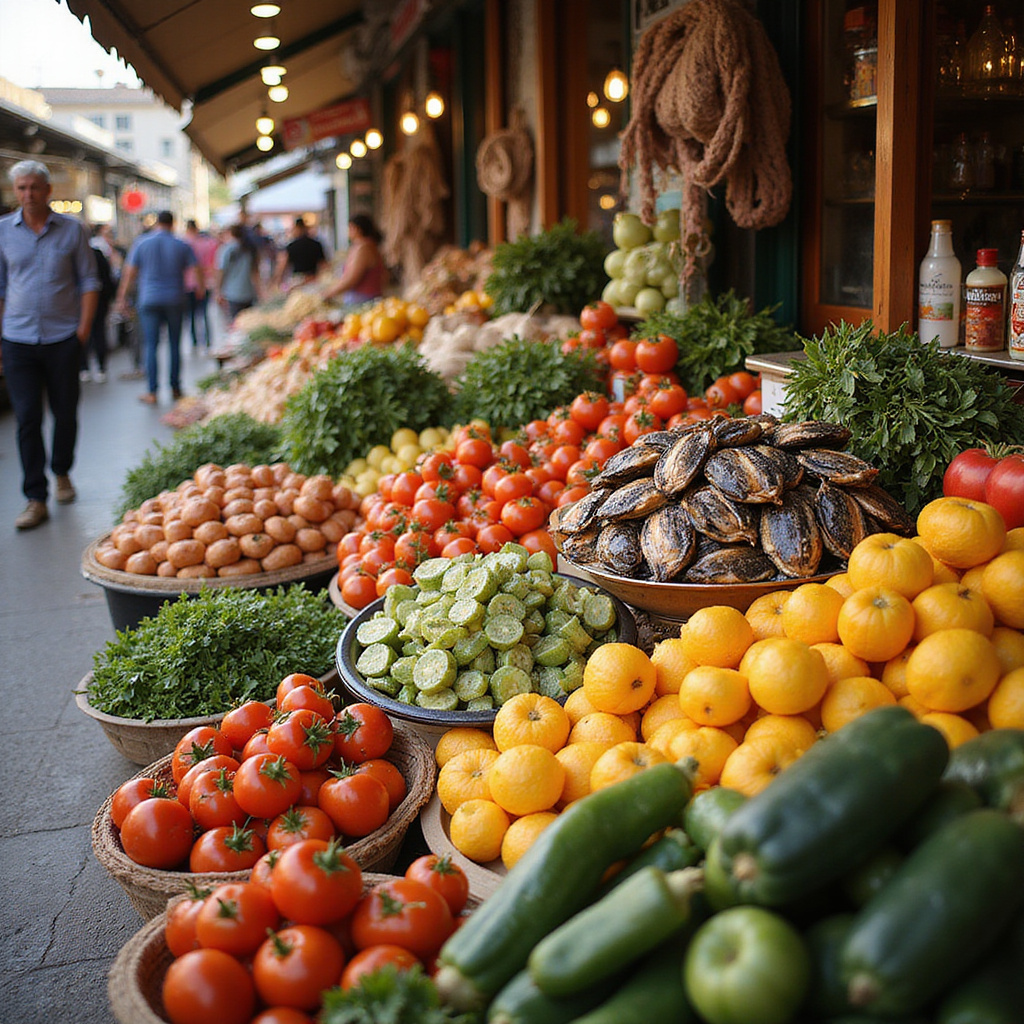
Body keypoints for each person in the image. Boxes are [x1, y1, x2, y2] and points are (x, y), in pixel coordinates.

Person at [0, 159, 101, 530]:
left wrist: (83, 330)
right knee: (27, 418)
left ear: (48, 190)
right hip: (18, 339)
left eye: (34, 187)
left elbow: (89, 281)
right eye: (22, 187)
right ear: (16, 191)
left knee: (65, 411)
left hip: (63, 337)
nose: (28, 194)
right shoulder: (2, 232)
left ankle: (61, 471)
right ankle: (34, 497)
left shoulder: (72, 230)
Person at [115, 210, 202, 404]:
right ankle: (176, 388)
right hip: (175, 298)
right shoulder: (181, 244)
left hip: (149, 299)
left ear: (156, 223)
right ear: (173, 223)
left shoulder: (142, 243)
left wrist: (122, 298)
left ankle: (152, 392)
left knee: (151, 345)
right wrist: (200, 290)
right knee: (174, 345)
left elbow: (129, 273)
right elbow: (196, 269)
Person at [79, 224, 117, 383]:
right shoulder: (96, 255)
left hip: (87, 302)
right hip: (97, 301)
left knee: (87, 333)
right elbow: (108, 280)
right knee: (96, 332)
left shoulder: (84, 256)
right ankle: (98, 367)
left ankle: (85, 368)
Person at [323, 214, 386, 304]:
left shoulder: (364, 248)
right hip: (363, 297)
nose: (347, 232)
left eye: (349, 228)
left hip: (363, 300)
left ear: (357, 229)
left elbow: (352, 279)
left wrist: (328, 293)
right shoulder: (364, 246)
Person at [184, 219, 219, 348]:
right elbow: (213, 264)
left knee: (191, 315)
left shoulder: (185, 243)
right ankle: (207, 339)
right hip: (206, 282)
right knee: (204, 313)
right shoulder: (209, 243)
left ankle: (195, 340)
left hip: (188, 285)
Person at [214, 223, 260, 320]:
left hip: (232, 294)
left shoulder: (226, 249)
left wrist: (218, 291)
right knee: (248, 322)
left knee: (235, 325)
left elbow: (221, 271)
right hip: (249, 292)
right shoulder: (250, 248)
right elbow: (255, 272)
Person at [273, 217, 328, 291]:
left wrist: (277, 282)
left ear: (297, 228)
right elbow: (324, 265)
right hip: (313, 280)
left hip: (297, 281)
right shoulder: (316, 244)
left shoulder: (292, 246)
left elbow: (282, 265)